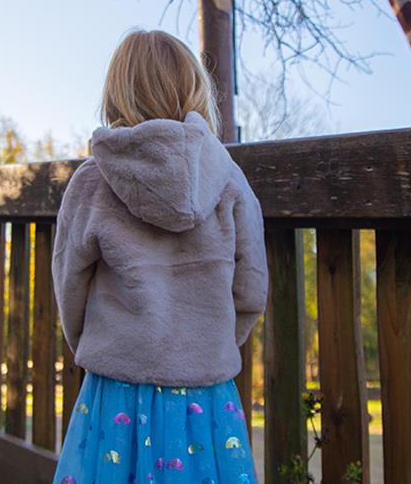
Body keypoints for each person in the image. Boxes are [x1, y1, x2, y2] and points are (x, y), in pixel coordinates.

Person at [52, 29, 268, 483]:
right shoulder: (229, 180)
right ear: (194, 88)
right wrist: (213, 344)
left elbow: (69, 286)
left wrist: (97, 345)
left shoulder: (92, 182)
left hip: (115, 394)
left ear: (116, 95)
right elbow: (250, 290)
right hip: (206, 400)